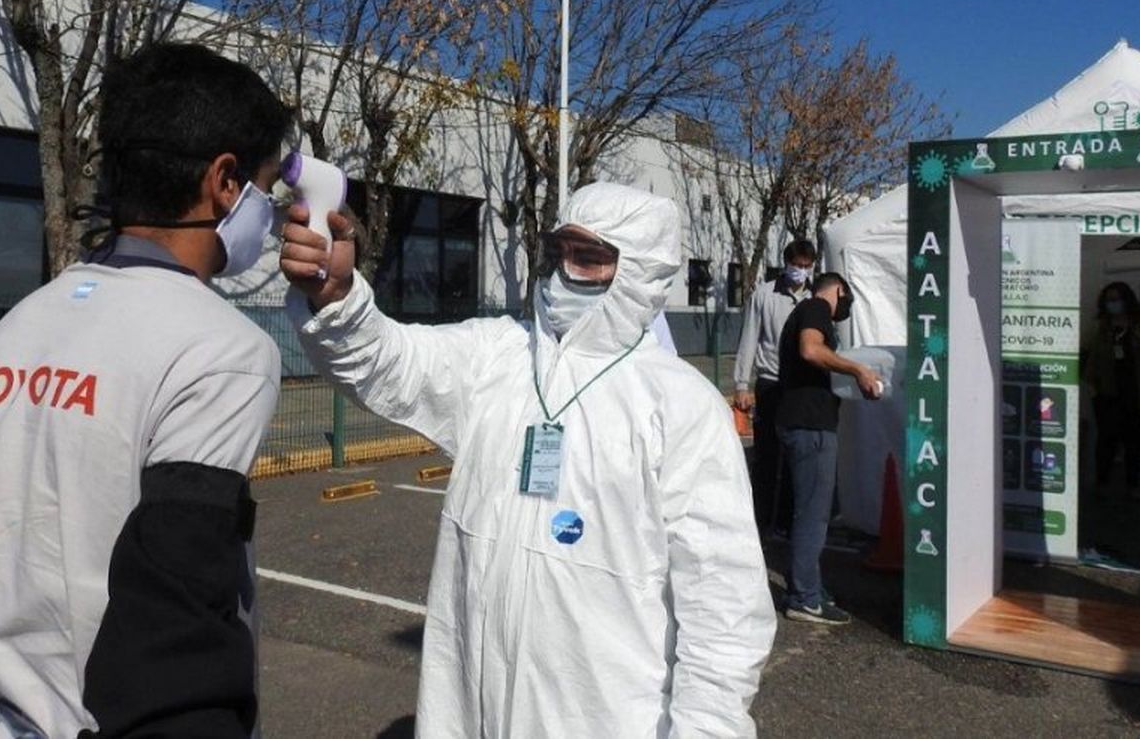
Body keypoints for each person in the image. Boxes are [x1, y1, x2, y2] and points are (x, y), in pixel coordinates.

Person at [0, 43, 289, 738]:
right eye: (266, 190)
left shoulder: (6, 335)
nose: (269, 215)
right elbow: (172, 635)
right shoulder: (224, 351)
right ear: (224, 181)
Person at [281, 182, 776, 736]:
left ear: (640, 273)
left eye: (588, 258)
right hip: (468, 713)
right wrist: (338, 295)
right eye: (558, 252)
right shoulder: (498, 356)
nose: (563, 273)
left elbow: (723, 608)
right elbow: (388, 361)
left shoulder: (680, 407)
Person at [775, 272, 880, 625]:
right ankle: (804, 598)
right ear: (839, 290)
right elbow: (810, 349)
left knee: (811, 510)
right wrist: (857, 370)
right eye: (846, 297)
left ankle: (807, 587)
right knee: (813, 514)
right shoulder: (817, 307)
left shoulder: (804, 310)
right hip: (810, 426)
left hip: (801, 423)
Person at [733, 240, 818, 534]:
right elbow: (749, 338)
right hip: (770, 382)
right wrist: (742, 384)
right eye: (798, 265)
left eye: (807, 266)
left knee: (798, 455)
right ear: (787, 264)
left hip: (802, 384)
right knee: (767, 454)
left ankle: (788, 519)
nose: (802, 271)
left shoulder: (814, 296)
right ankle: (759, 519)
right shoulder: (764, 295)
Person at [1083, 281, 1140, 497]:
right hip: (1106, 394)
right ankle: (1102, 483)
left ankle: (1133, 485)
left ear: (1127, 300)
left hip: (1137, 392)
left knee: (1135, 441)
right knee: (1106, 439)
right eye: (1109, 300)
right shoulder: (1097, 327)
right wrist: (1091, 385)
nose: (1114, 304)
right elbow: (1085, 356)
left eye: (1117, 299)